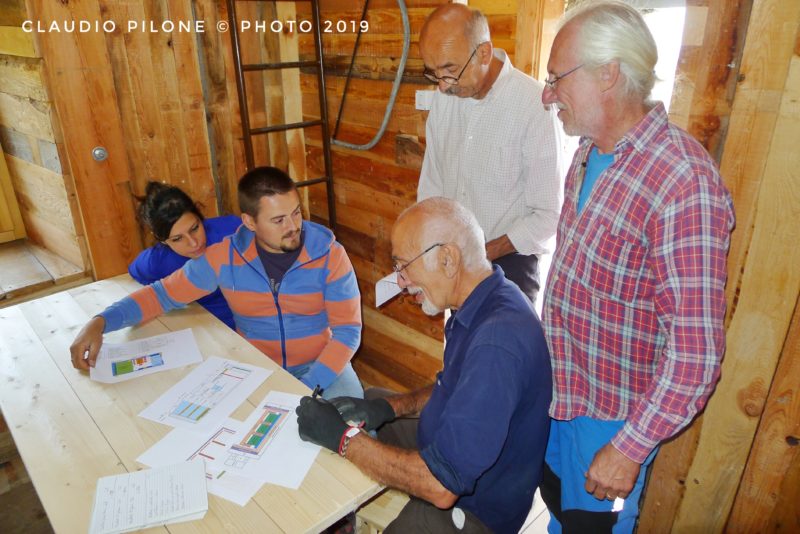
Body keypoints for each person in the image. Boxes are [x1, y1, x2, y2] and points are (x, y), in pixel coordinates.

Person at [538, 2, 735, 532]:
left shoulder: (682, 183)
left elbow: (695, 355)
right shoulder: (586, 153)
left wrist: (630, 448)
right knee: (557, 506)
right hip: (564, 394)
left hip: (612, 420)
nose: (546, 93)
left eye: (557, 78)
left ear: (609, 74)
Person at [296, 197, 552, 533]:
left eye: (403, 266)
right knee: (370, 401)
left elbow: (440, 486)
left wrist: (344, 440)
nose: (400, 282)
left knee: (346, 434)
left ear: (448, 258)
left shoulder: (497, 342)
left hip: (476, 509)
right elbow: (453, 385)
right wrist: (390, 407)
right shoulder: (486, 296)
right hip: (449, 446)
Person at [70, 166, 363, 399]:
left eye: (296, 212)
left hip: (323, 367)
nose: (293, 226)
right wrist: (99, 322)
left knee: (357, 432)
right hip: (256, 367)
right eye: (278, 220)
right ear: (249, 222)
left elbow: (348, 332)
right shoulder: (222, 257)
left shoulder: (330, 255)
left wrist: (309, 386)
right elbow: (160, 296)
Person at [417, 4, 564, 303]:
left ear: (484, 53)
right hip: (456, 260)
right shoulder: (445, 100)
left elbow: (548, 215)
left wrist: (482, 252)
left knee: (500, 349)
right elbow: (431, 188)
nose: (443, 86)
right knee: (460, 344)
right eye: (434, 73)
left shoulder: (533, 106)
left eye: (450, 70)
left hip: (510, 266)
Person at [128, 181, 241, 329]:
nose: (194, 243)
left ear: (200, 216)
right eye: (177, 239)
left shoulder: (233, 230)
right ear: (163, 241)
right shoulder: (159, 260)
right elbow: (135, 271)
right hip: (213, 331)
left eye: (195, 228)